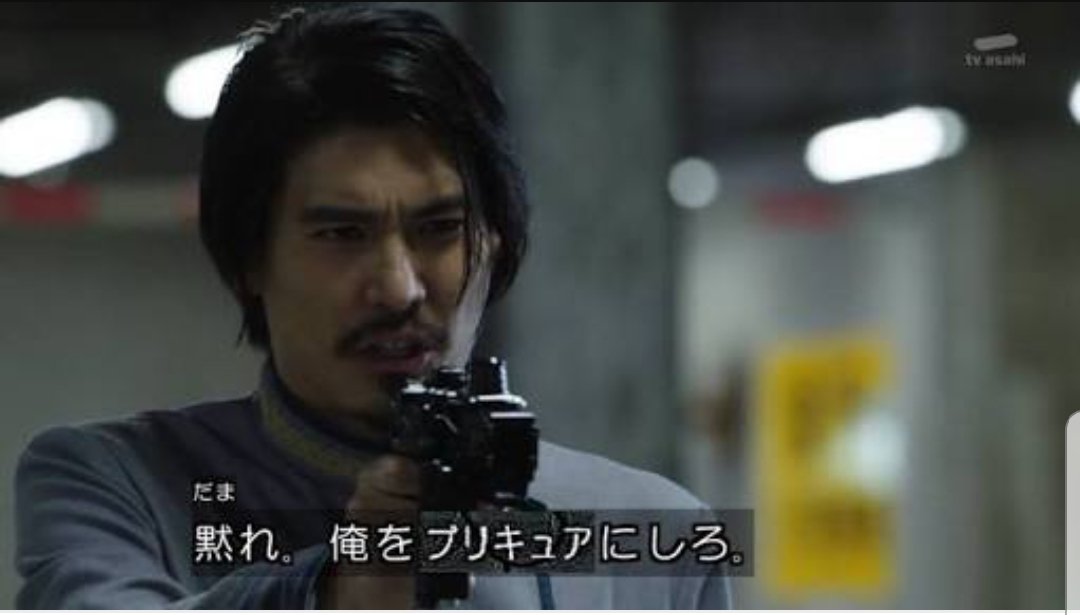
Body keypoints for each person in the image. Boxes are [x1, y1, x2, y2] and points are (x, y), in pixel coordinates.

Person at [14, 4, 733, 609]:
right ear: (248, 259)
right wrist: (341, 585)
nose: (398, 287)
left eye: (439, 228)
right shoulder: (116, 483)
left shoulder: (654, 532)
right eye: (342, 234)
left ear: (496, 242)